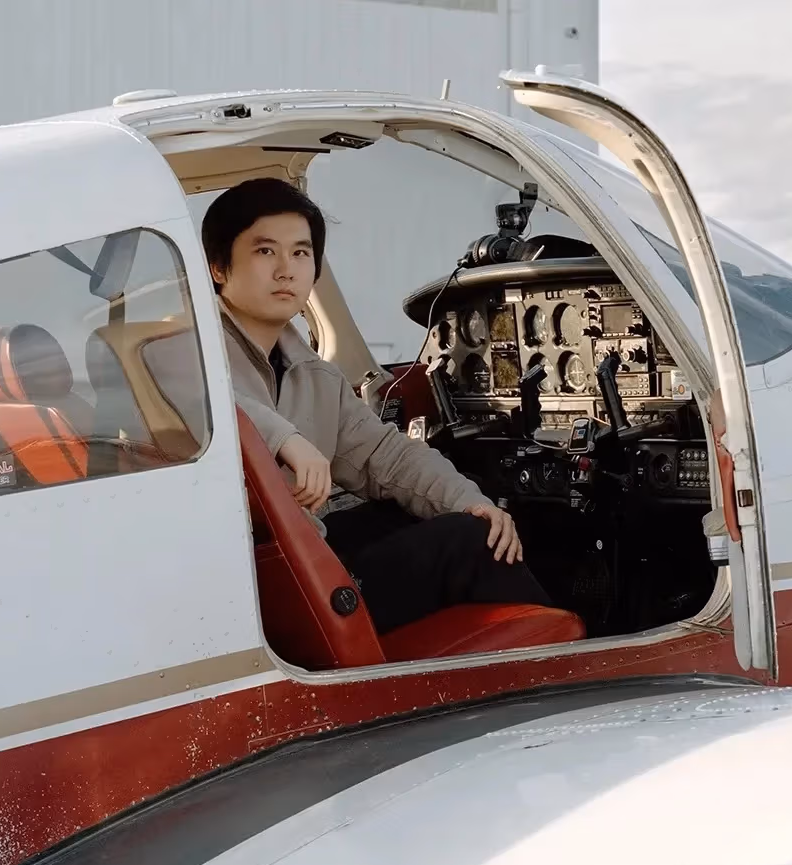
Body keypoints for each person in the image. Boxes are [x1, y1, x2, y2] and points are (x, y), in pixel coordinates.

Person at [202, 177, 555, 635]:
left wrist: (473, 503)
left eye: (301, 252)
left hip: (305, 556)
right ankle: (572, 674)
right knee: (469, 543)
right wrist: (285, 439)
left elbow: (387, 458)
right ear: (218, 268)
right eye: (265, 251)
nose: (287, 270)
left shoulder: (314, 375)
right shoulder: (183, 349)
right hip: (255, 592)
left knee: (460, 516)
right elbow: (203, 397)